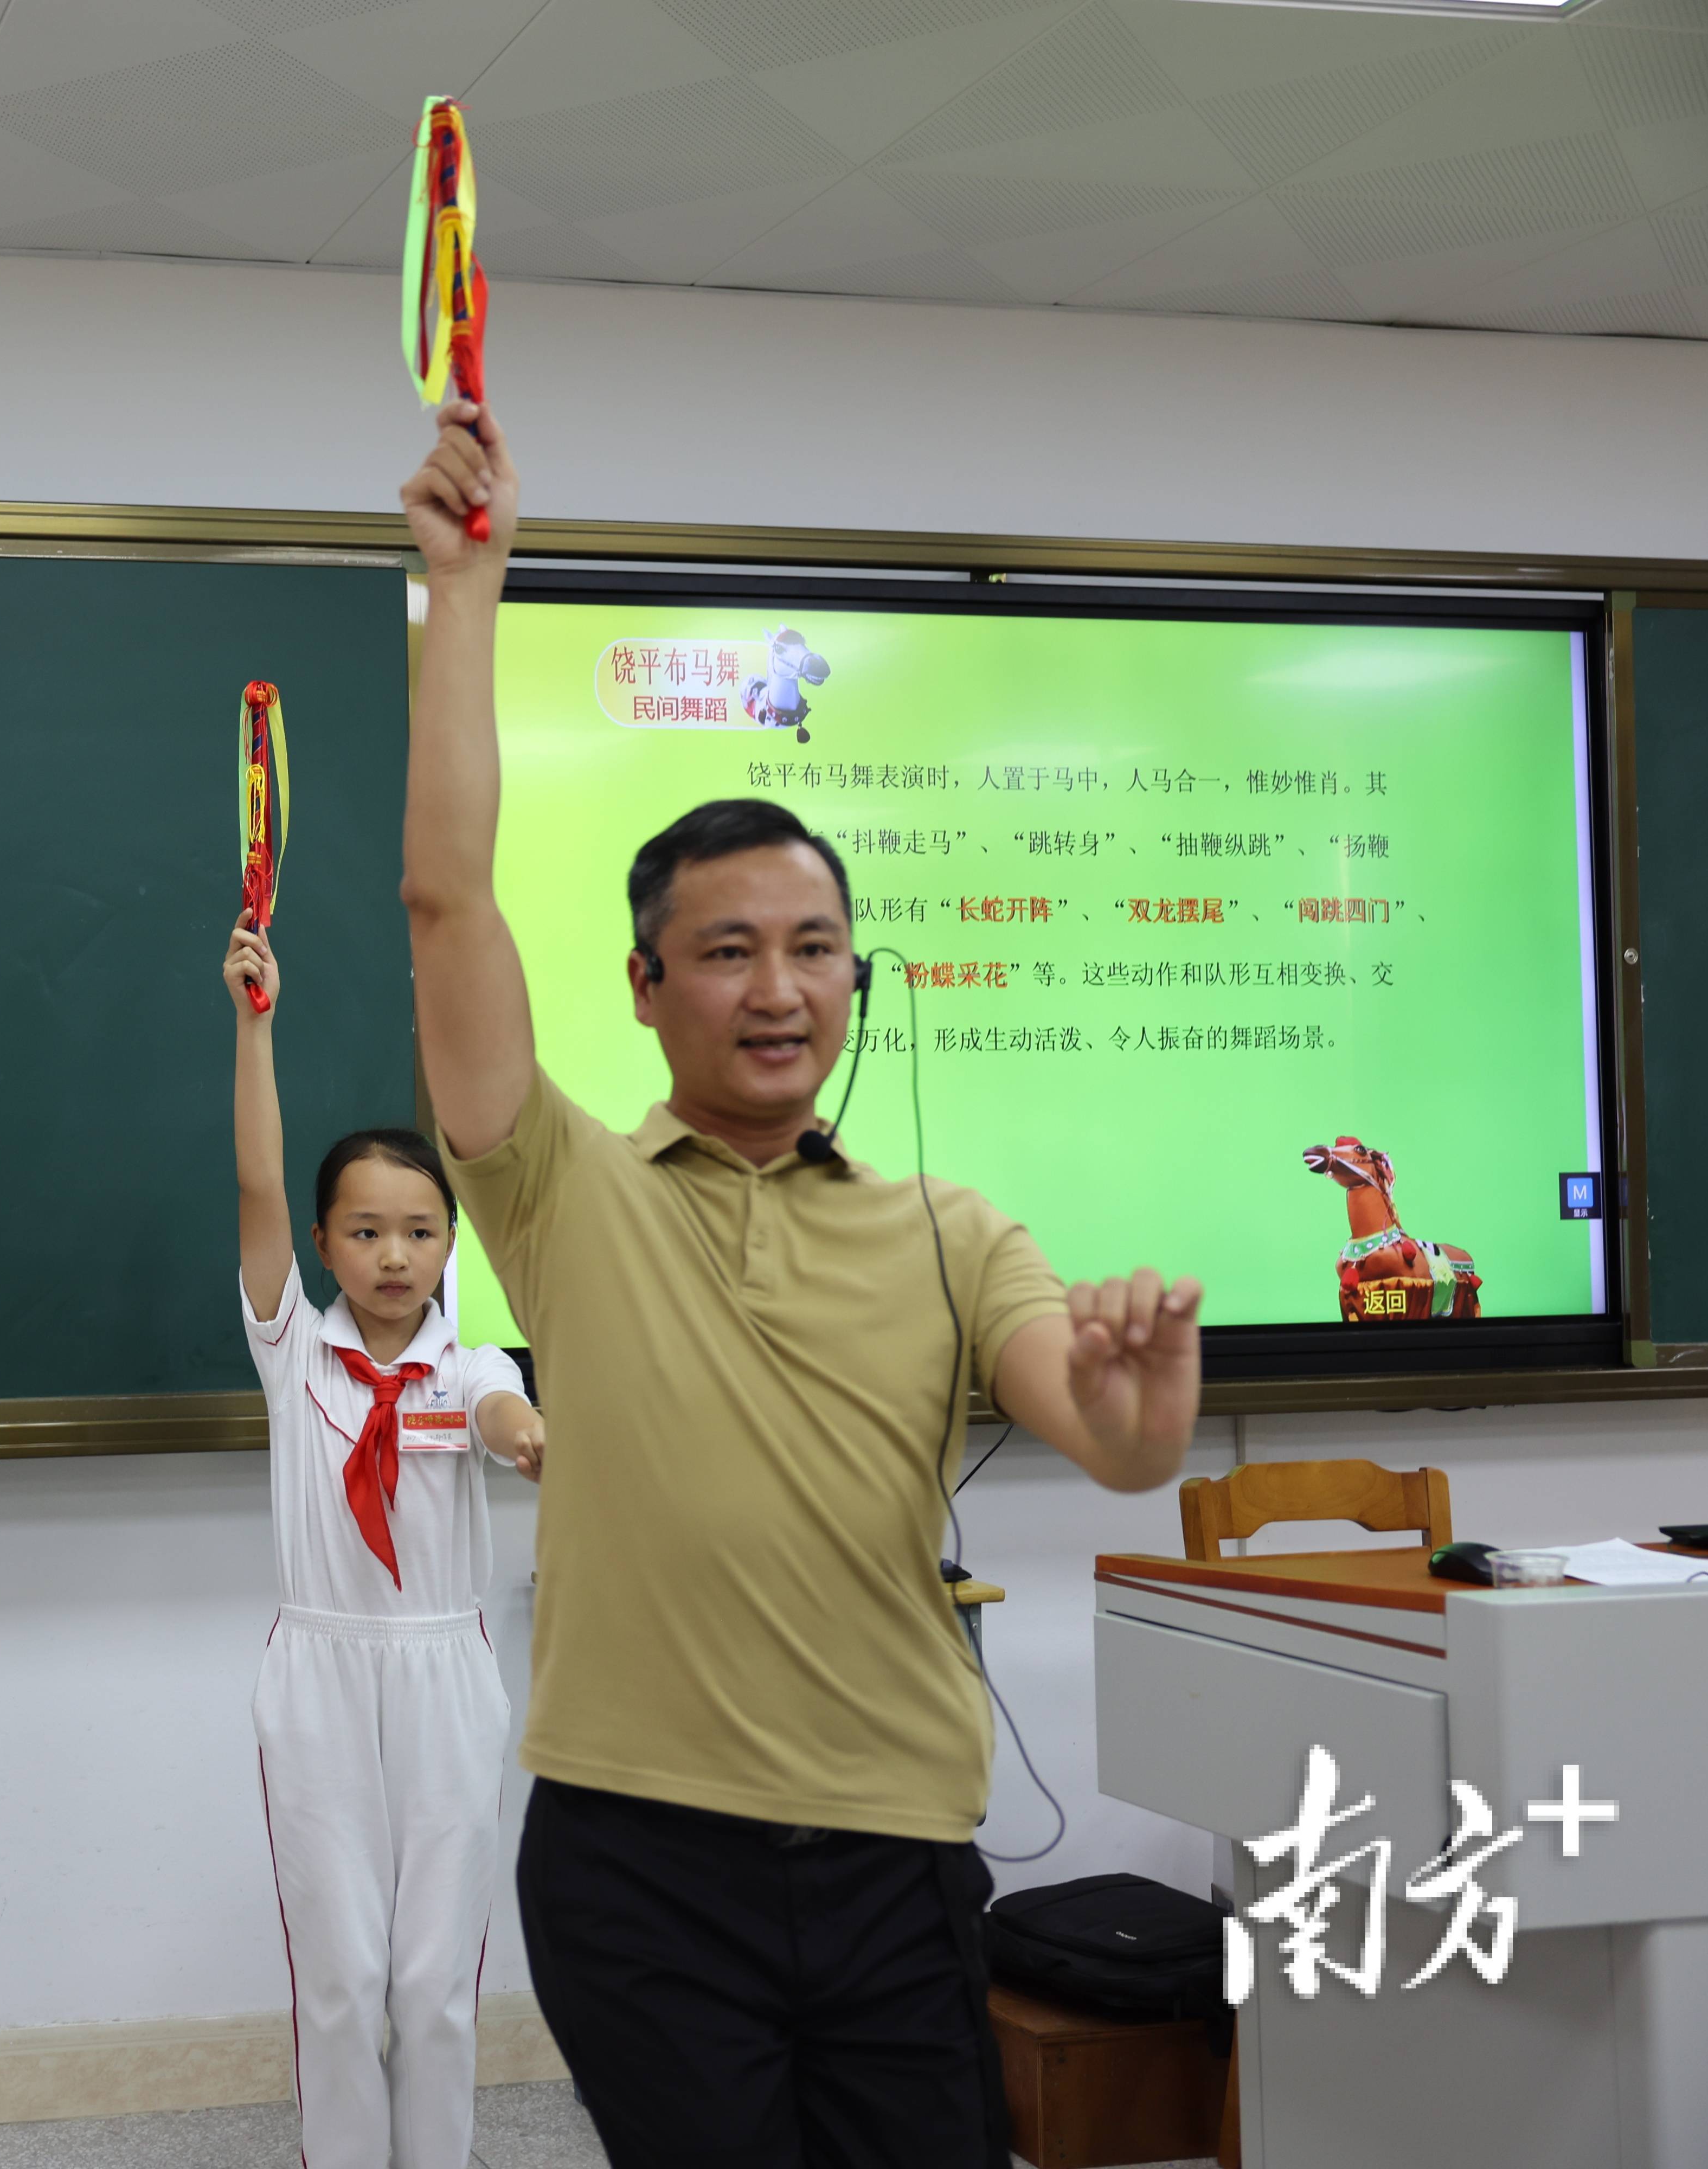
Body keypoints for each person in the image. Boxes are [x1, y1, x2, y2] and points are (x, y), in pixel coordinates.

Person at [395, 402, 1206, 2168]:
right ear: (640, 982)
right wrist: (464, 594)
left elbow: (1102, 1432)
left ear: (857, 974)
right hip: (636, 1851)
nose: (777, 988)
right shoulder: (562, 1191)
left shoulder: (949, 1226)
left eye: (813, 947)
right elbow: (444, 903)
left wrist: (1141, 1424)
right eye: (726, 951)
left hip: (895, 1848)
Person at [224, 920, 547, 2169]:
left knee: (431, 1984)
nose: (393, 1253)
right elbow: (256, 1180)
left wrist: (528, 1436)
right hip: (318, 1673)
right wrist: (255, 1024)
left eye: (418, 1230)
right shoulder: (291, 1349)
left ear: (447, 1247)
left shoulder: (466, 1363)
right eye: (364, 1231)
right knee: (343, 1981)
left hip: (441, 1673)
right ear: (322, 1245)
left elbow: (501, 1408)